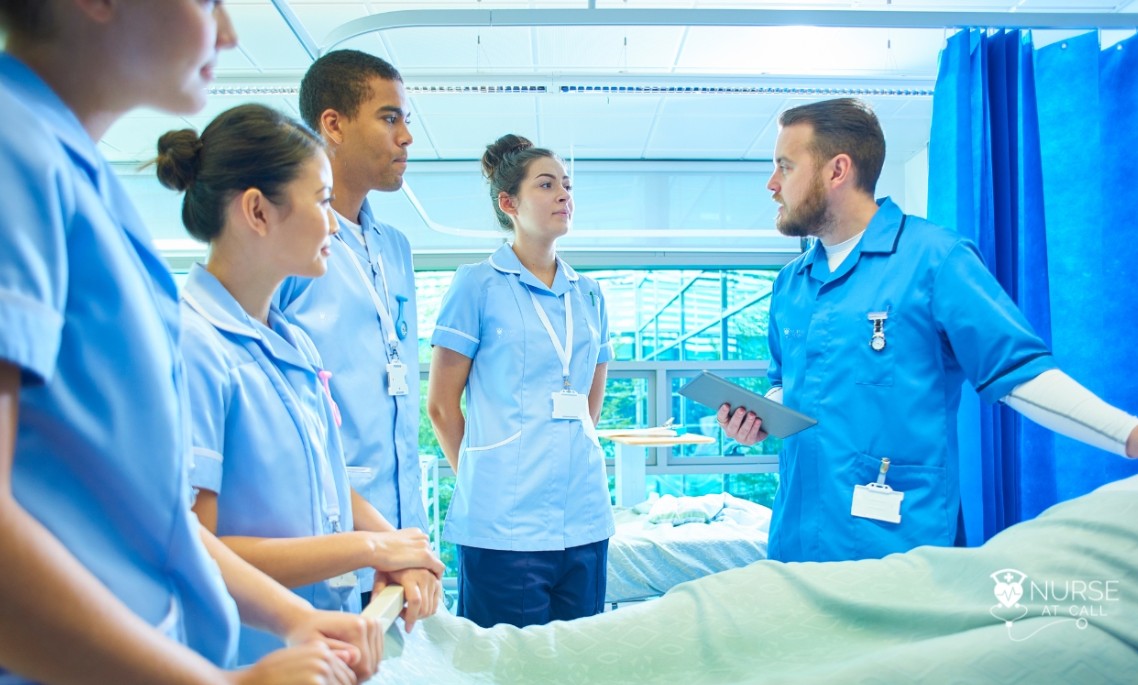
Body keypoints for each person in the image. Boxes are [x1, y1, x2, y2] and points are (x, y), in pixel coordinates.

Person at [0, 3, 381, 683]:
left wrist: (293, 616)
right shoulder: (14, 150)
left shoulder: (75, 173)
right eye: (207, 1)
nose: (228, 31)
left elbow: (159, 523)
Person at [718, 97, 1138, 563]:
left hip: (898, 550)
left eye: (785, 166)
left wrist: (1127, 433)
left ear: (837, 170)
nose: (772, 184)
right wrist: (760, 419)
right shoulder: (791, 283)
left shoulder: (935, 260)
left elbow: (1019, 374)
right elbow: (785, 386)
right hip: (797, 544)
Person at [155, 103, 445, 665]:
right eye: (322, 201)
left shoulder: (294, 342)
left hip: (320, 649)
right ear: (258, 211)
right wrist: (370, 547)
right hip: (246, 660)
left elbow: (333, 483)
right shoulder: (194, 345)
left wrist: (400, 549)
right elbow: (195, 548)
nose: (334, 224)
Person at [427, 134, 615, 629]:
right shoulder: (477, 285)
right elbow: (441, 407)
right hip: (502, 525)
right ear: (509, 203)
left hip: (584, 517)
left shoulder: (589, 294)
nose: (564, 195)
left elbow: (590, 404)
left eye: (567, 185)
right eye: (547, 185)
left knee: (577, 659)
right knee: (504, 662)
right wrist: (485, 478)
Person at [275, 49, 427, 605]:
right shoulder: (288, 243)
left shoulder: (395, 248)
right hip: (325, 531)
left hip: (401, 533)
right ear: (333, 126)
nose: (406, 137)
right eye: (390, 118)